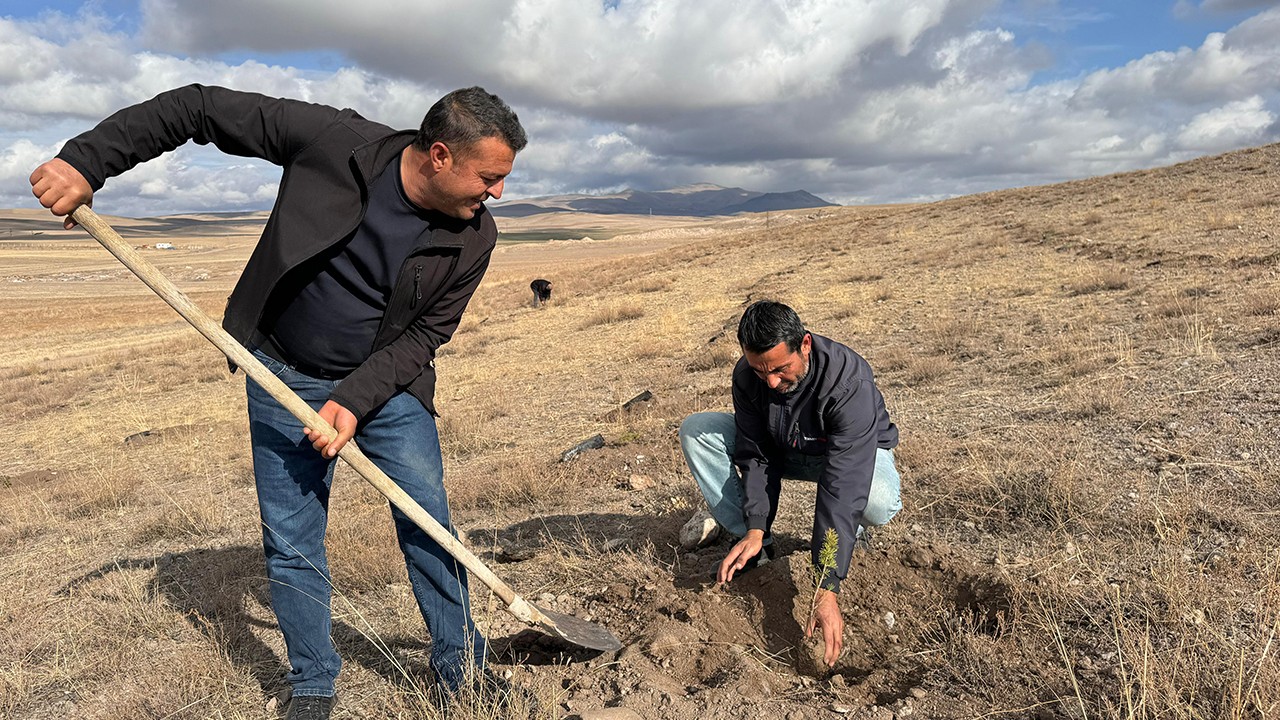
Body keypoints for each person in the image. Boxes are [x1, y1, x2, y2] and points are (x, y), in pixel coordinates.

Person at [30, 84, 527, 719]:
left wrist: (353, 400)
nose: (498, 194)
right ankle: (315, 683)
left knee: (429, 523)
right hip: (282, 375)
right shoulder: (333, 143)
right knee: (292, 536)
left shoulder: (475, 236)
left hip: (387, 387)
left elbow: (429, 333)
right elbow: (197, 108)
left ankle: (462, 669)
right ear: (438, 155)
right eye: (489, 177)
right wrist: (85, 160)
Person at [679, 300, 902, 668]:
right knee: (697, 431)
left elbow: (843, 484)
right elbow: (756, 454)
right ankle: (753, 547)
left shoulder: (848, 381)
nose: (771, 382)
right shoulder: (750, 376)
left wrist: (826, 587)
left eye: (781, 369)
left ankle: (851, 537)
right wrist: (755, 526)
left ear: (806, 345)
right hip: (786, 448)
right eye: (760, 370)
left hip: (849, 455)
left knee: (875, 500)